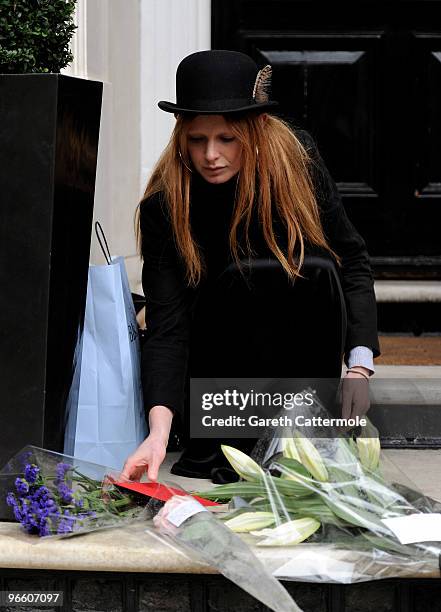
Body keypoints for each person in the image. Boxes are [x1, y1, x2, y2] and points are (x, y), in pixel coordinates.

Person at [121, 50, 380, 483]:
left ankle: (303, 424)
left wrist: (358, 367)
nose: (210, 155)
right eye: (196, 139)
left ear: (255, 131)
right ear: (181, 136)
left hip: (296, 344)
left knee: (315, 267)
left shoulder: (298, 166)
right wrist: (159, 433)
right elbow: (169, 325)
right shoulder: (165, 205)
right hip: (214, 360)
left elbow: (350, 259)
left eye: (227, 139)